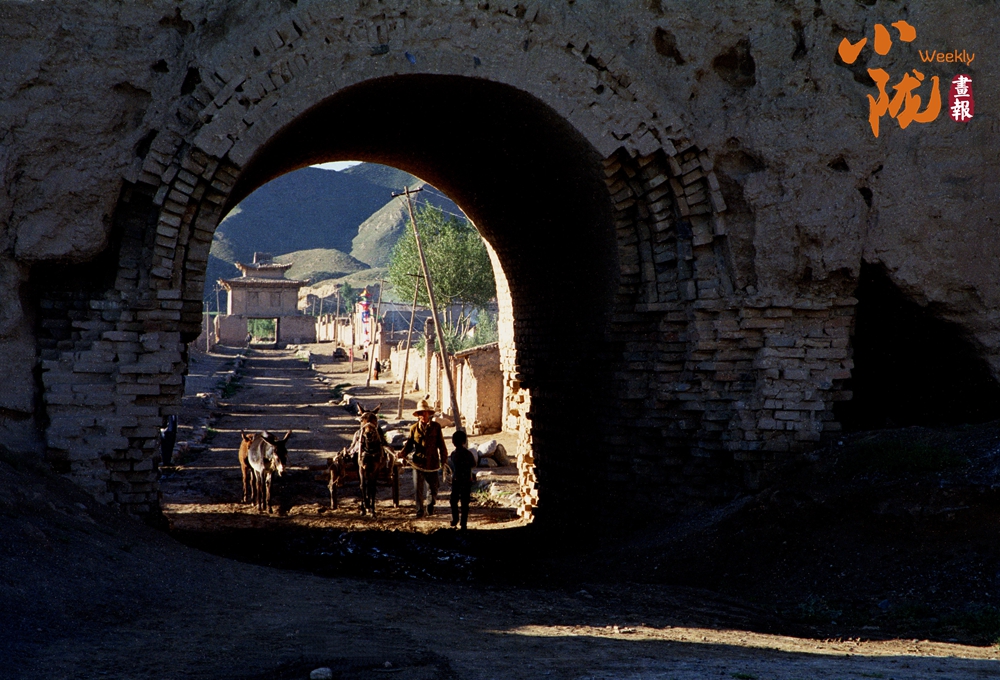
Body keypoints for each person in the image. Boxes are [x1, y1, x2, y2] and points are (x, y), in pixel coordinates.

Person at [398, 398, 448, 518]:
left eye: (425, 412)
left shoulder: (436, 427)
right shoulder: (414, 428)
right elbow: (409, 445)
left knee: (433, 487)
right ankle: (420, 511)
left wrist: (444, 461)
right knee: (418, 489)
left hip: (433, 463)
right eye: (421, 413)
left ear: (429, 414)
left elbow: (441, 445)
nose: (423, 415)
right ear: (418, 415)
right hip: (418, 463)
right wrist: (402, 453)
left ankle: (430, 506)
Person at [448, 430, 476, 530]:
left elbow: (452, 467)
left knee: (453, 501)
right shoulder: (468, 454)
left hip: (456, 480)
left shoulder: (453, 454)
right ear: (464, 441)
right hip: (466, 481)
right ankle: (463, 523)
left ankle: (455, 519)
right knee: (465, 503)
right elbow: (473, 464)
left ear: (453, 442)